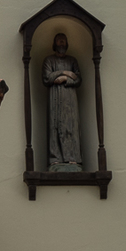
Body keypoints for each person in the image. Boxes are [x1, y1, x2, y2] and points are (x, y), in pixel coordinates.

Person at [42, 32, 82, 171]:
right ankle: (55, 159)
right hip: (55, 98)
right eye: (59, 41)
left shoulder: (72, 60)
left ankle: (73, 158)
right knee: (55, 126)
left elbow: (77, 79)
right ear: (54, 43)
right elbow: (47, 77)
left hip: (69, 98)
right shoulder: (49, 60)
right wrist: (65, 72)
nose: (61, 43)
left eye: (63, 41)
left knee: (71, 125)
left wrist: (66, 79)